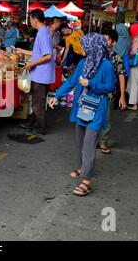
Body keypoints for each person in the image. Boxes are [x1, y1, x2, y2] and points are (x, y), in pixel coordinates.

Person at [49, 33, 115, 197]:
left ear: (94, 48)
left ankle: (86, 181)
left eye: (86, 47)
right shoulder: (83, 63)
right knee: (80, 142)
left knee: (88, 145)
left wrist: (90, 83)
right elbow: (71, 82)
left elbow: (110, 87)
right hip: (81, 108)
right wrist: (57, 97)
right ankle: (82, 168)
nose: (83, 50)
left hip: (97, 110)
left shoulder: (106, 65)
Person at [15, 9, 55, 135]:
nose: (30, 22)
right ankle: (36, 124)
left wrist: (31, 64)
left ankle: (41, 128)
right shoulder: (43, 32)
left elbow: (47, 55)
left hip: (41, 75)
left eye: (31, 19)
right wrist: (22, 50)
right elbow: (39, 53)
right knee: (38, 102)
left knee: (38, 103)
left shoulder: (43, 34)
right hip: (41, 74)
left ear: (35, 20)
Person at [99, 30, 127, 154]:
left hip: (108, 95)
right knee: (91, 117)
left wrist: (122, 97)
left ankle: (103, 143)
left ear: (114, 42)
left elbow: (121, 77)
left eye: (107, 39)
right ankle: (92, 139)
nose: (104, 41)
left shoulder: (117, 58)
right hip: (94, 92)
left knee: (106, 119)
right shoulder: (97, 55)